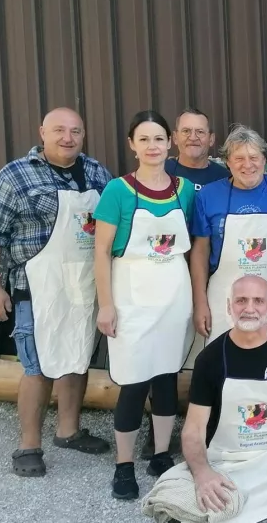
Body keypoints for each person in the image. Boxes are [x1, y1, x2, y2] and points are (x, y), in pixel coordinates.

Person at [141, 275, 267, 523]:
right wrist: (203, 473)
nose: (249, 308)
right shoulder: (210, 359)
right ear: (229, 307)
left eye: (258, 301)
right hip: (226, 462)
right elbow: (193, 429)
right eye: (241, 301)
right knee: (171, 502)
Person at [0, 107, 112, 477]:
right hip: (37, 286)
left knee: (77, 357)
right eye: (59, 130)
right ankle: (28, 444)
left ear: (83, 135)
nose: (67, 137)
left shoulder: (97, 172)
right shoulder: (15, 175)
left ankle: (68, 431)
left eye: (75, 131)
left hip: (84, 285)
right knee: (38, 367)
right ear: (42, 132)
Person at [92, 110, 196, 499]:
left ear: (170, 142)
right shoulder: (118, 191)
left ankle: (160, 454)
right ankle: (123, 465)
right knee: (134, 383)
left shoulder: (184, 189)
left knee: (167, 376)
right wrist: (106, 305)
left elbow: (190, 248)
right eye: (144, 139)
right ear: (132, 145)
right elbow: (101, 252)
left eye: (158, 138)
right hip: (131, 297)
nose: (153, 146)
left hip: (173, 295)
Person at [189, 125, 267, 364]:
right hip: (224, 297)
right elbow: (200, 252)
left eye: (254, 157)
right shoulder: (208, 195)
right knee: (224, 362)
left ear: (265, 159)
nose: (248, 165)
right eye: (239, 158)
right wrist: (200, 302)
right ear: (227, 162)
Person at [165, 108, 230, 189]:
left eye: (200, 132)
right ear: (175, 138)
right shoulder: (162, 172)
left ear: (211, 139)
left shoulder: (225, 178)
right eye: (186, 131)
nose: (193, 138)